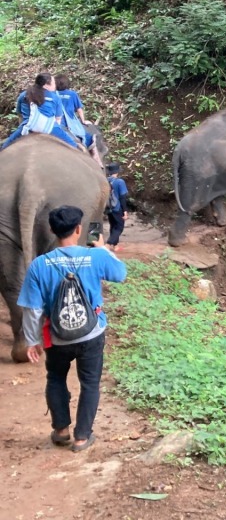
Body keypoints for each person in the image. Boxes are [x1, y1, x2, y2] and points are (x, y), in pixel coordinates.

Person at [17, 205, 126, 453]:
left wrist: (32, 340)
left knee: (55, 378)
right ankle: (82, 437)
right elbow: (121, 274)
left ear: (54, 232)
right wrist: (103, 248)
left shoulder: (38, 265)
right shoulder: (95, 257)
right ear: (79, 229)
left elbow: (32, 310)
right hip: (92, 334)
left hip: (56, 336)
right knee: (90, 383)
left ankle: (61, 430)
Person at [1, 73, 82, 152]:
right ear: (46, 85)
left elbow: (20, 115)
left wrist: (22, 127)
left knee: (5, 147)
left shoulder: (23, 95)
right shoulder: (55, 97)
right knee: (74, 146)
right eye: (53, 83)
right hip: (51, 127)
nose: (55, 86)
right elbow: (58, 119)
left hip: (28, 125)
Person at [54, 74, 95, 150]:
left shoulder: (53, 94)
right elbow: (79, 109)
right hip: (70, 123)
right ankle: (92, 154)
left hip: (56, 122)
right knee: (89, 138)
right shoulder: (72, 94)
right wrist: (83, 121)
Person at [106, 163, 129, 251]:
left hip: (108, 207)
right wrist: (125, 211)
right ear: (117, 172)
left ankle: (115, 246)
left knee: (113, 226)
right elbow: (122, 197)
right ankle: (108, 244)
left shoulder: (106, 180)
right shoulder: (120, 182)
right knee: (119, 227)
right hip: (117, 207)